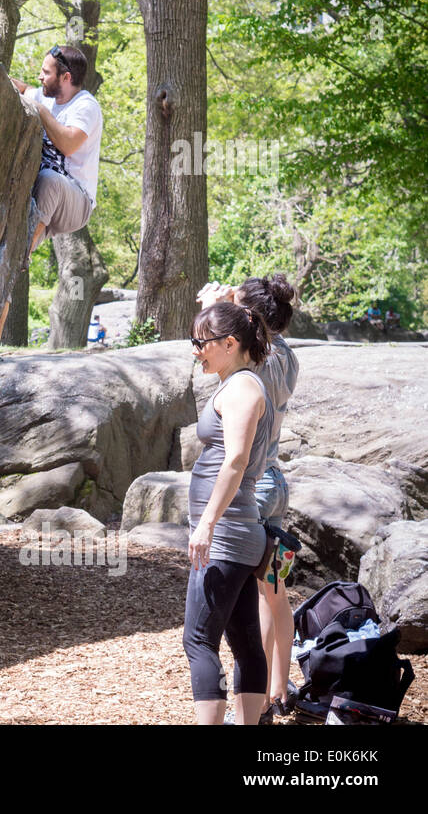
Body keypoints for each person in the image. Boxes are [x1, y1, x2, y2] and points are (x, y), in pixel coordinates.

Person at [198, 274, 299, 722]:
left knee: (243, 593)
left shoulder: (249, 369)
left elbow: (226, 364)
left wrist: (216, 314)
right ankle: (278, 689)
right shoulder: (289, 358)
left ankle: (250, 708)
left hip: (252, 490)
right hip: (278, 483)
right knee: (275, 590)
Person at [0, 45, 103, 371]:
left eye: (47, 72)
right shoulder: (46, 94)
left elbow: (67, 142)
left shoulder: (86, 107)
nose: (41, 75)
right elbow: (24, 87)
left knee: (50, 179)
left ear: (66, 78)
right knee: (4, 255)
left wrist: (39, 110)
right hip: (44, 197)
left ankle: (21, 252)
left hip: (75, 201)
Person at [184, 301, 273, 724]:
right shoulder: (239, 383)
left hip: (227, 534)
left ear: (230, 343)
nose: (197, 350)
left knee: (199, 640)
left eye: (201, 343)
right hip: (235, 532)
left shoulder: (240, 388)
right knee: (245, 642)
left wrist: (206, 524)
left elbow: (235, 460)